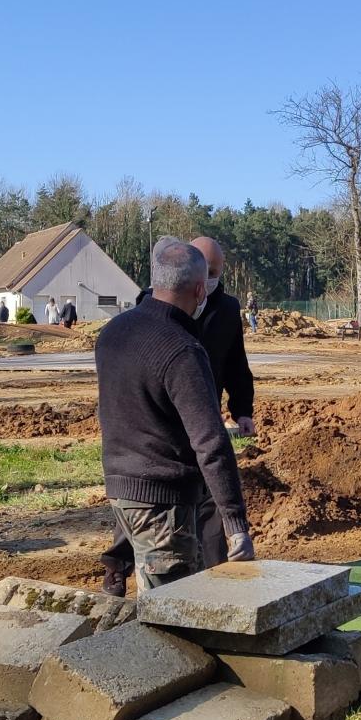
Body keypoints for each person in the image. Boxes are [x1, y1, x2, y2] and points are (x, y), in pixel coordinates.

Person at [93, 237, 255, 591]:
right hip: (164, 501)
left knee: (160, 602)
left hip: (121, 488)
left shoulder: (112, 333)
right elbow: (211, 442)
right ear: (200, 290)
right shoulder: (181, 350)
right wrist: (235, 524)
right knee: (171, 615)